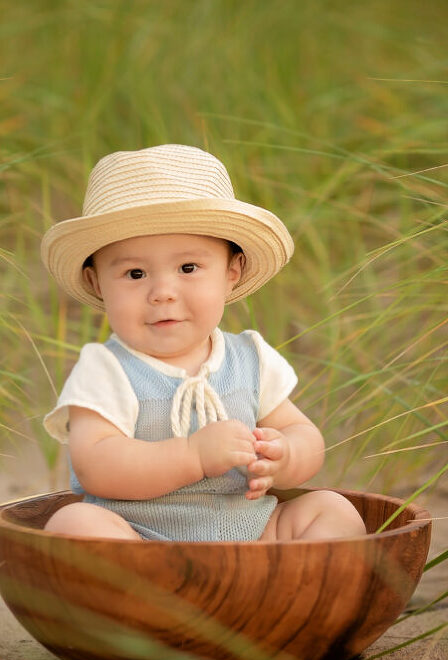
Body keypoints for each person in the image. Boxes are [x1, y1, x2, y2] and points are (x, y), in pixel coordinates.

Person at [40, 144, 366, 541]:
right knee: (73, 527)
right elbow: (95, 464)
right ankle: (148, 598)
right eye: (135, 273)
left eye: (188, 268)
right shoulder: (105, 368)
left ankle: (284, 593)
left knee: (333, 512)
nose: (163, 292)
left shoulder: (251, 358)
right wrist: (192, 455)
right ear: (96, 283)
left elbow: (303, 433)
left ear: (232, 271)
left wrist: (286, 455)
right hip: (138, 539)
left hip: (251, 533)